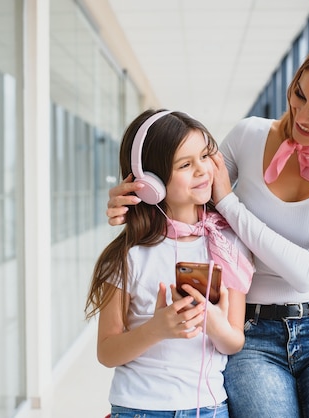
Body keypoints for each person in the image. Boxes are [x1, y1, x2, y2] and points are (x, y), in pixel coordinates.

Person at [105, 31, 309, 417]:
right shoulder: (249, 136)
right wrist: (133, 198)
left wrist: (230, 203)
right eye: (300, 95)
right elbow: (186, 194)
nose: (302, 117)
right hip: (249, 326)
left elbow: (308, 273)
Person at [85, 109, 254, 418]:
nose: (202, 170)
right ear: (151, 183)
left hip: (208, 409)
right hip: (140, 408)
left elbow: (234, 342)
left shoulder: (227, 246)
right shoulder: (128, 256)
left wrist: (214, 325)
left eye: (205, 156)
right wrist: (157, 329)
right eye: (186, 164)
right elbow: (106, 352)